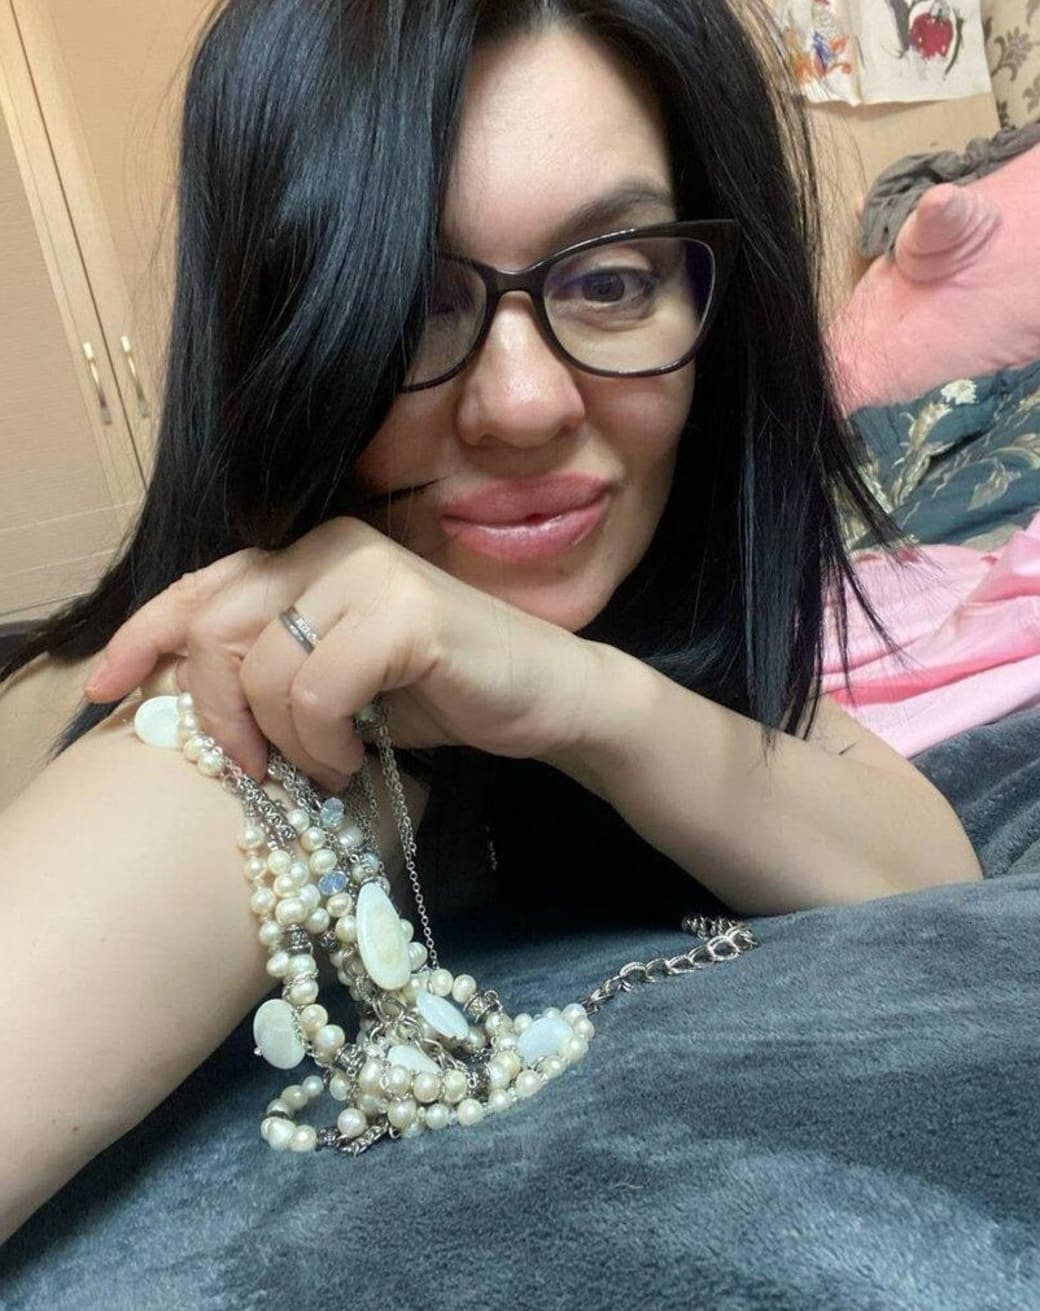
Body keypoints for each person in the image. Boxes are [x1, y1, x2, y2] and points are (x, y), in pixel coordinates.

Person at [0, 0, 982, 1244]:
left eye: (613, 280)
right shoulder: (234, 735)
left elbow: (928, 874)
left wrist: (579, 696)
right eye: (412, 301)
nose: (522, 404)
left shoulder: (644, 626)